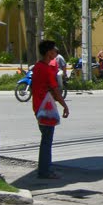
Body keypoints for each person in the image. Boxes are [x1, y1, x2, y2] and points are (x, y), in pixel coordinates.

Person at [32, 40, 69, 179]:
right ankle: (44, 171)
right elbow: (55, 90)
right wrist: (65, 106)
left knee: (45, 139)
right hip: (46, 108)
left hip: (37, 106)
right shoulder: (47, 69)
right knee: (47, 140)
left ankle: (44, 169)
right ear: (48, 53)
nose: (56, 52)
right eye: (54, 50)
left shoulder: (37, 67)